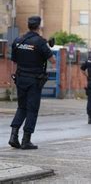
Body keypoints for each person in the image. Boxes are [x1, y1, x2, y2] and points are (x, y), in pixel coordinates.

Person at [8, 16, 56, 150]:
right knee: (32, 110)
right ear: (39, 26)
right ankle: (26, 140)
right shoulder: (40, 42)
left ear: (28, 25)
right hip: (34, 80)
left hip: (20, 78)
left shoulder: (18, 41)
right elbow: (52, 61)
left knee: (21, 107)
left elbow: (14, 61)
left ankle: (13, 136)